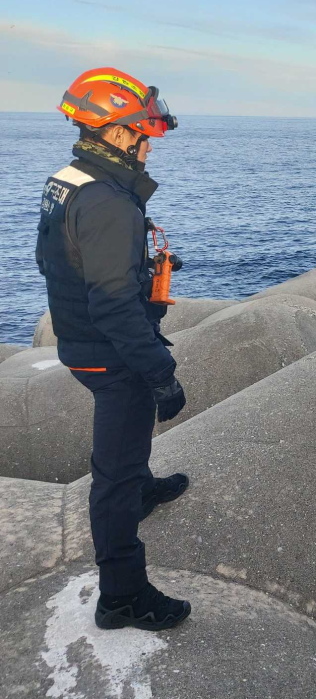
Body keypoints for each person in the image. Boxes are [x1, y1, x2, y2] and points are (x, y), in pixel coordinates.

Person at [37, 67, 190, 630]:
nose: (149, 145)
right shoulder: (110, 204)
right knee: (114, 475)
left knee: (127, 454)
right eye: (142, 134)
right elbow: (113, 305)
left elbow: (65, 259)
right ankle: (122, 595)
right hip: (109, 351)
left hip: (80, 339)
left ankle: (143, 486)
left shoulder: (71, 178)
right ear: (119, 134)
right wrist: (160, 372)